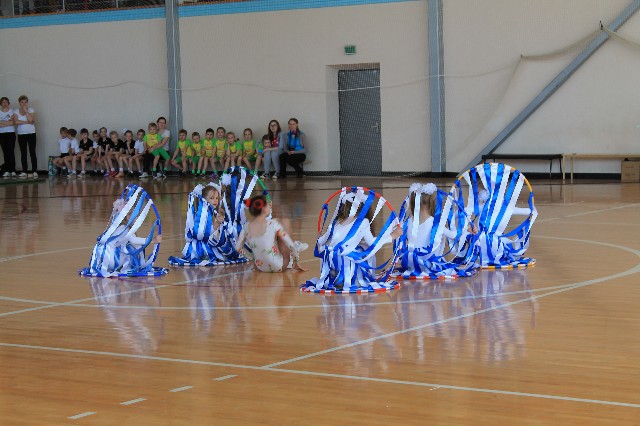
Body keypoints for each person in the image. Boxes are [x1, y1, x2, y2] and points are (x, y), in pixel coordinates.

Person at [301, 190, 402, 292]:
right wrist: (392, 236)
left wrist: (318, 236)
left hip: (330, 270)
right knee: (366, 248)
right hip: (346, 268)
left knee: (358, 246)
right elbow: (372, 243)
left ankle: (337, 279)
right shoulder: (363, 221)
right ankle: (358, 279)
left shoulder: (336, 222)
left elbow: (320, 242)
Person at [80, 185, 166, 278]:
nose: (137, 218)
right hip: (109, 258)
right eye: (135, 216)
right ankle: (127, 266)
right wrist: (153, 240)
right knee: (132, 248)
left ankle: (122, 265)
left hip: (102, 257)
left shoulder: (118, 227)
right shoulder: (123, 228)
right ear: (128, 217)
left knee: (130, 246)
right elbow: (134, 240)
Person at [394, 183, 477, 280]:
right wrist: (466, 228)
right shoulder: (434, 222)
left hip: (411, 262)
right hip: (429, 263)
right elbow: (453, 235)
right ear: (432, 203)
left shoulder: (408, 222)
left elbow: (397, 236)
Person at [168, 184, 247, 266]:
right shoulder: (201, 215)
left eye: (216, 198)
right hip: (199, 246)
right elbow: (203, 234)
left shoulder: (214, 212)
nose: (215, 200)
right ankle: (204, 255)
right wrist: (217, 224)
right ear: (204, 200)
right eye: (212, 198)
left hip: (209, 242)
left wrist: (220, 224)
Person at [236, 194, 308, 272]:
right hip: (279, 266)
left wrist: (253, 259)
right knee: (285, 222)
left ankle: (291, 253)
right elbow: (290, 245)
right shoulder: (273, 224)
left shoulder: (246, 226)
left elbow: (238, 248)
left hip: (260, 267)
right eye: (268, 205)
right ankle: (292, 256)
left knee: (274, 231)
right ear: (264, 209)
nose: (270, 206)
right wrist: (296, 260)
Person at [12, 95, 37, 178]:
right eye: (22, 102)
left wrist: (26, 111)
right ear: (19, 103)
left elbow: (31, 120)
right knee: (23, 153)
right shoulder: (16, 111)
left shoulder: (31, 110)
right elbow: (16, 122)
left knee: (32, 152)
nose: (24, 103)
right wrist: (27, 122)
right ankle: (24, 171)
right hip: (21, 134)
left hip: (31, 133)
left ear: (27, 102)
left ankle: (34, 171)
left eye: (25, 102)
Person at [0, 97, 17, 178]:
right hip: (2, 134)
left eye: (6, 102)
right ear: (1, 103)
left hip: (11, 134)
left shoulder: (12, 111)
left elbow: (13, 122)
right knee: (5, 152)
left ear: (8, 103)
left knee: (11, 151)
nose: (5, 104)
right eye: (3, 102)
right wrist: (8, 122)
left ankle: (13, 170)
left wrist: (2, 123)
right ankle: (7, 170)